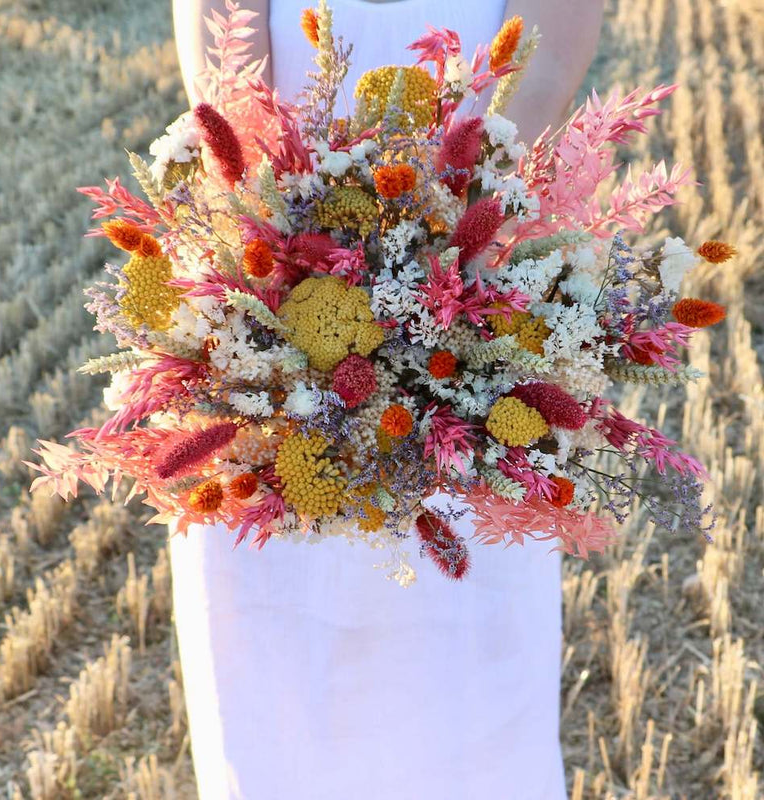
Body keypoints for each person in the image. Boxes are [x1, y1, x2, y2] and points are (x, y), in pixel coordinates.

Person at [169, 2, 604, 798]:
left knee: (465, 659)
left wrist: (455, 236)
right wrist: (281, 221)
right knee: (275, 654)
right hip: (276, 266)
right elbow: (222, 47)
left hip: (472, 279)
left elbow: (550, 43)